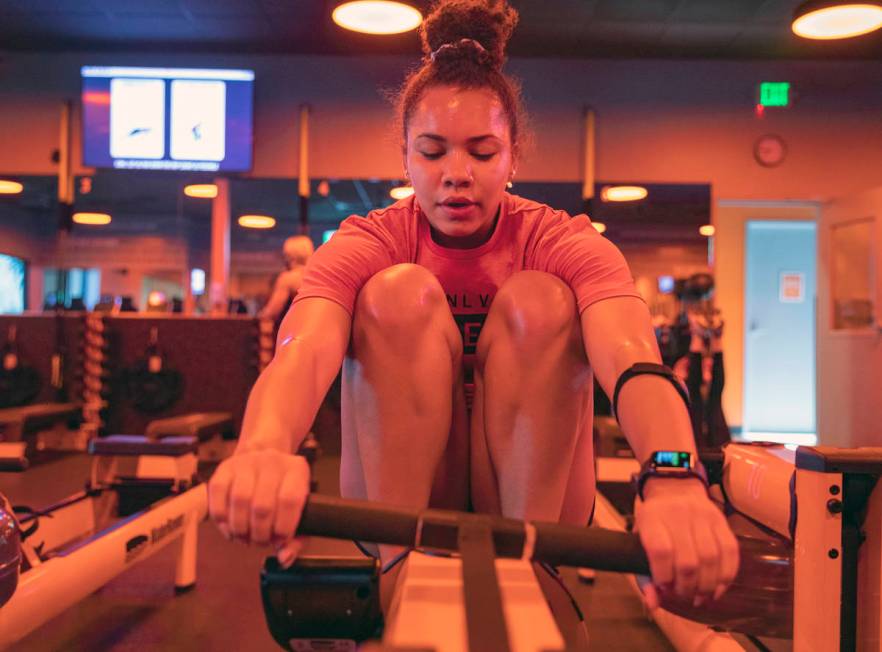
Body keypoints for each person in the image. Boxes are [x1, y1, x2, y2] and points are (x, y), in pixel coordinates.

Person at [209, 0, 739, 616]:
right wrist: (264, 448)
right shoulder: (370, 239)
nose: (456, 175)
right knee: (395, 292)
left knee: (541, 297)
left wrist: (673, 476)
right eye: (433, 153)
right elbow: (303, 352)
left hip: (532, 494)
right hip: (403, 491)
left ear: (513, 157)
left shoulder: (562, 239)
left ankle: (535, 580)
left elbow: (633, 360)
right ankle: (397, 576)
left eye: (482, 153)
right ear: (405, 158)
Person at [258, 235, 315, 322]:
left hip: (295, 330)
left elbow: (272, 312)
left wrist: (260, 316)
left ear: (289, 255)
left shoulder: (288, 279)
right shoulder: (317, 276)